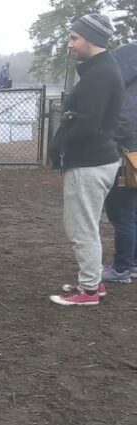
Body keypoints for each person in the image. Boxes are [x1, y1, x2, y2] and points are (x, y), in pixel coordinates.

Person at [48, 13, 125, 306]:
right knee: (88, 224)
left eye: (74, 38)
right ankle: (93, 281)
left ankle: (89, 291)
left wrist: (65, 130)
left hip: (89, 163)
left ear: (91, 39)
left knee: (81, 227)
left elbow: (88, 125)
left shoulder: (99, 75)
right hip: (98, 160)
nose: (70, 44)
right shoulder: (103, 70)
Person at [102, 42, 137, 283]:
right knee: (132, 211)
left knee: (120, 212)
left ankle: (122, 267)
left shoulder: (125, 93)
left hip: (125, 158)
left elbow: (124, 124)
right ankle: (131, 263)